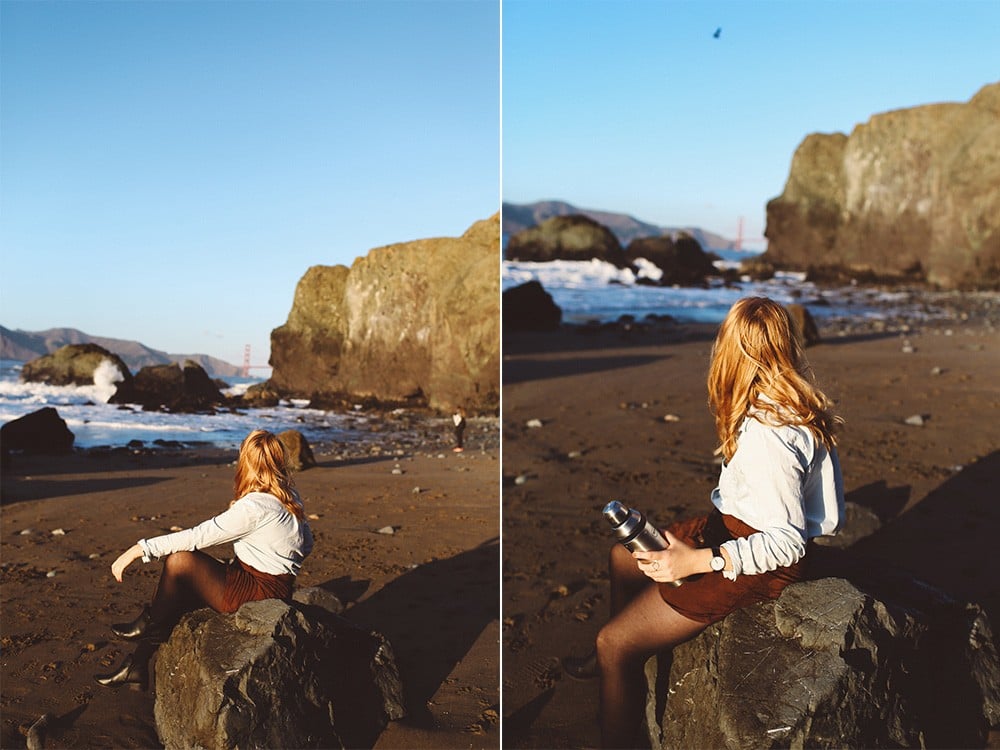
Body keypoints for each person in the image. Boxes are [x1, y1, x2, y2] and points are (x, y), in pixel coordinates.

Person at [567, 296, 845, 748]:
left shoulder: (771, 436)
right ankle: (615, 679)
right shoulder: (787, 403)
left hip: (754, 560)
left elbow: (787, 543)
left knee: (613, 643)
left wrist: (696, 561)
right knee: (623, 557)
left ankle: (616, 680)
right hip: (732, 524)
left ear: (736, 353)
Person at [95, 429, 314, 689]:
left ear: (247, 462)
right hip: (276, 587)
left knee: (180, 562)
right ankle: (139, 660)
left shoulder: (255, 507)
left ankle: (144, 640)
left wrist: (138, 550)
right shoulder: (289, 498)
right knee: (180, 587)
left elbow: (197, 536)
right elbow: (307, 544)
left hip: (258, 594)